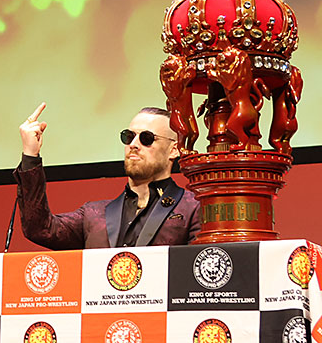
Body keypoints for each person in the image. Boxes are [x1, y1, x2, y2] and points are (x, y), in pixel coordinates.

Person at [15, 103, 200, 249]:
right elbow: (40, 229)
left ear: (173, 150)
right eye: (129, 136)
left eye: (146, 138)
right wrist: (30, 156)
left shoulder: (193, 208)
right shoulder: (94, 214)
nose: (133, 144)